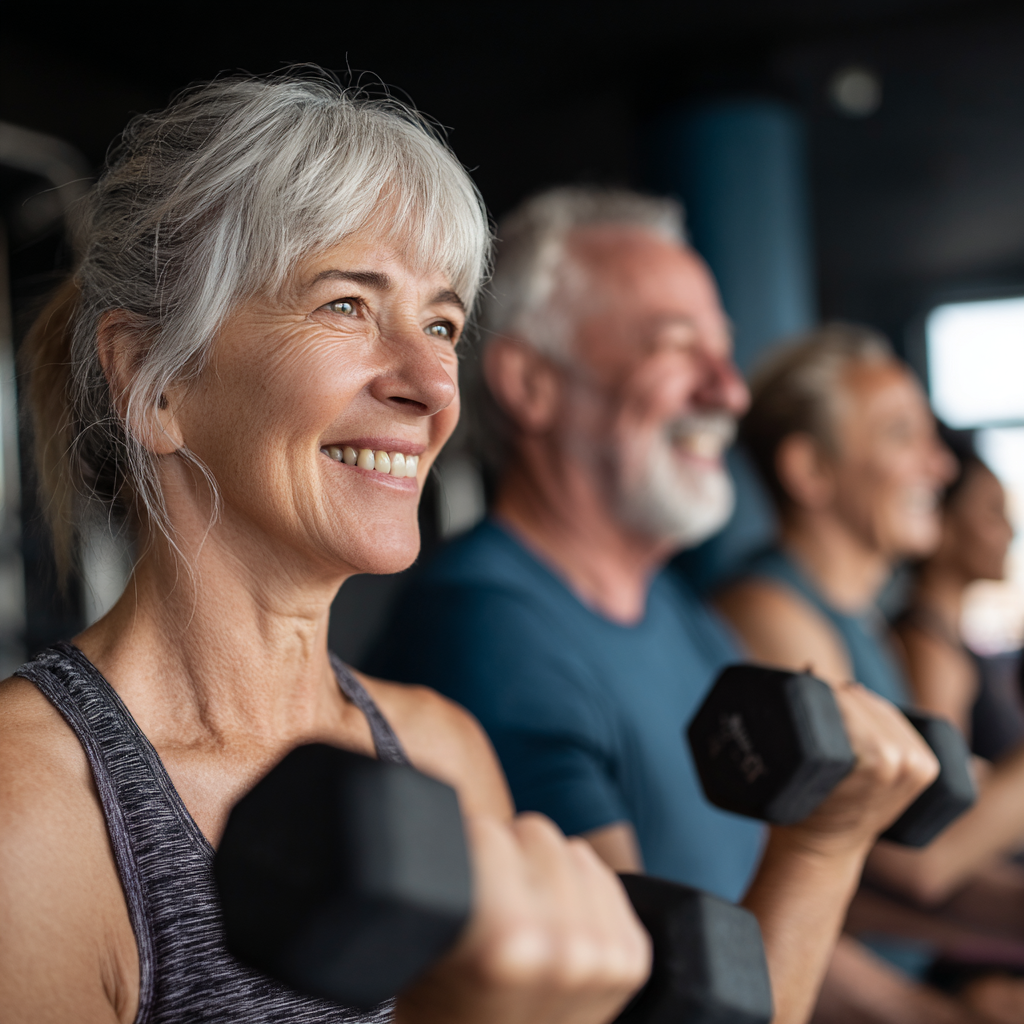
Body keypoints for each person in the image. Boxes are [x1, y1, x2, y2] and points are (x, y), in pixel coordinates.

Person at [0, 76, 656, 1024]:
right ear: (153, 380)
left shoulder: (440, 751)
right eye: (347, 304)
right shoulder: (33, 807)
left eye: (442, 325)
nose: (433, 383)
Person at [367, 187, 940, 1024]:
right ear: (531, 382)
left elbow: (749, 908)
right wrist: (827, 841)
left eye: (726, 352)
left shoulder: (683, 613)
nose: (730, 392)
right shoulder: (487, 629)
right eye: (679, 348)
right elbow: (661, 1005)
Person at [716, 326, 1024, 1022]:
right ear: (810, 472)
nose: (939, 467)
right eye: (899, 435)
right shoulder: (773, 616)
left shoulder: (864, 622)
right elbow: (892, 869)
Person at [893, 428, 1022, 752]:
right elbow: (948, 801)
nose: (1010, 531)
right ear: (944, 524)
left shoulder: (950, 640)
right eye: (993, 513)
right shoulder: (929, 650)